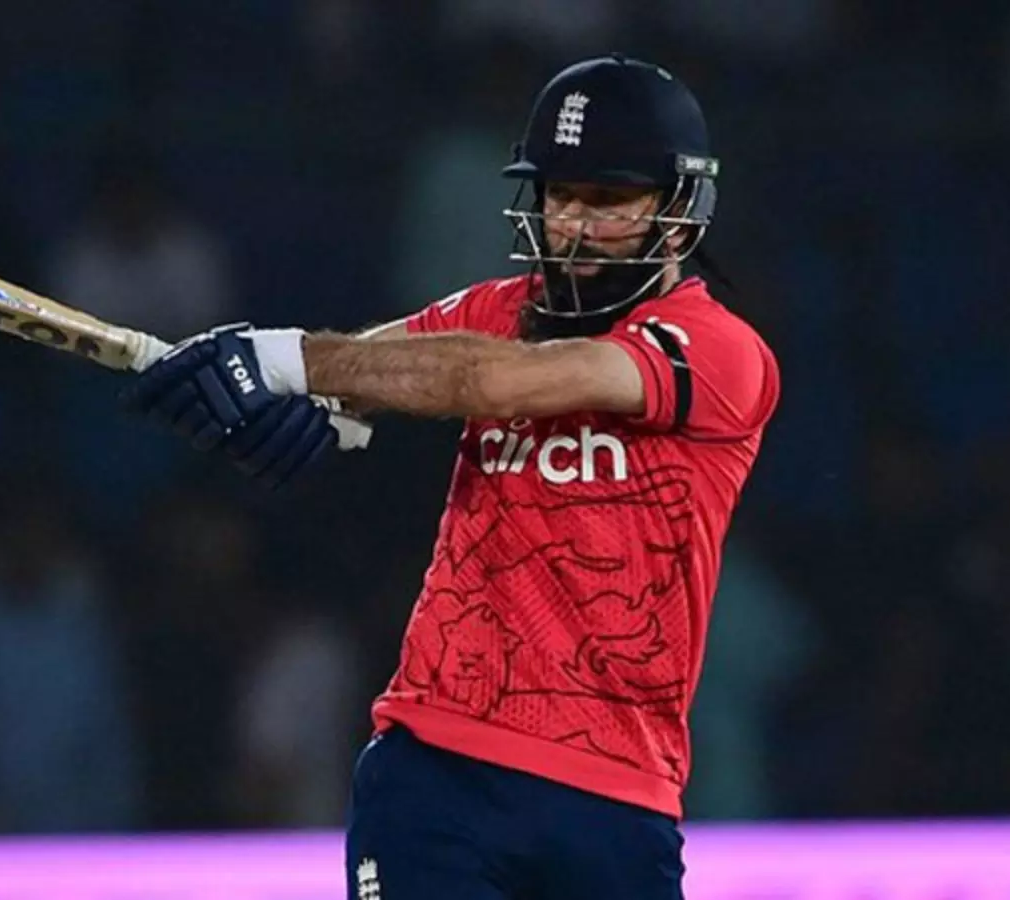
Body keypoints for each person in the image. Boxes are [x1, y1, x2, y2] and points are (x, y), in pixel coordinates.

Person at [123, 53, 780, 900]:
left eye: (608, 199)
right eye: (559, 194)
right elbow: (366, 364)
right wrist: (294, 398)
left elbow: (490, 380)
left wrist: (280, 360)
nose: (574, 224)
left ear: (681, 214)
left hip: (614, 792)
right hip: (435, 772)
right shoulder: (495, 310)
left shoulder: (721, 352)